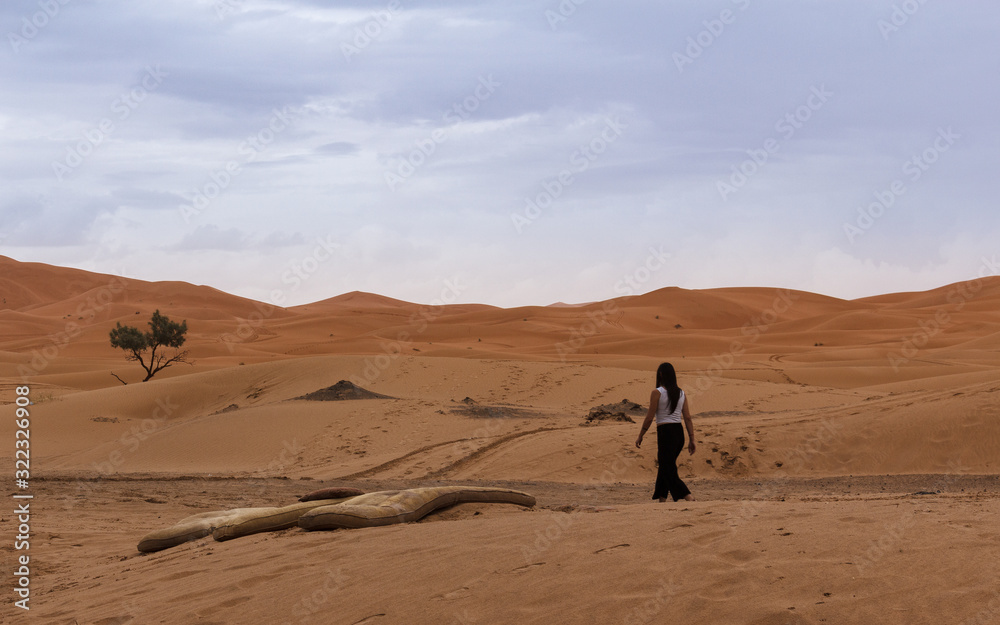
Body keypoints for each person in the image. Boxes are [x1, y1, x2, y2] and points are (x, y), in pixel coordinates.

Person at [635, 362, 696, 502]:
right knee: (665, 465)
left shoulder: (657, 392)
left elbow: (649, 417)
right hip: (679, 433)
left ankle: (688, 497)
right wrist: (692, 439)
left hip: (665, 433)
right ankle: (662, 498)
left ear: (661, 374)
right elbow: (687, 417)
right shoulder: (681, 393)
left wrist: (641, 435)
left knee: (668, 468)